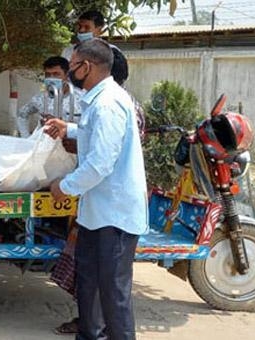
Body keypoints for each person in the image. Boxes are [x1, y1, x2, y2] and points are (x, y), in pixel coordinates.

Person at [45, 39, 148, 340]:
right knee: (88, 286)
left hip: (114, 216)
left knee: (113, 295)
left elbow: (100, 163)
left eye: (72, 66)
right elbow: (94, 133)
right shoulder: (98, 99)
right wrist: (68, 129)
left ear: (85, 67)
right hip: (96, 213)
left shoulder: (108, 104)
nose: (68, 73)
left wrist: (64, 187)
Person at [17, 56, 81, 138]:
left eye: (56, 74)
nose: (51, 78)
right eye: (48, 74)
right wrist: (25, 137)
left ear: (67, 75)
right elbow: (22, 114)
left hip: (70, 146)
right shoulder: (41, 98)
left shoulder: (81, 98)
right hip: (44, 146)